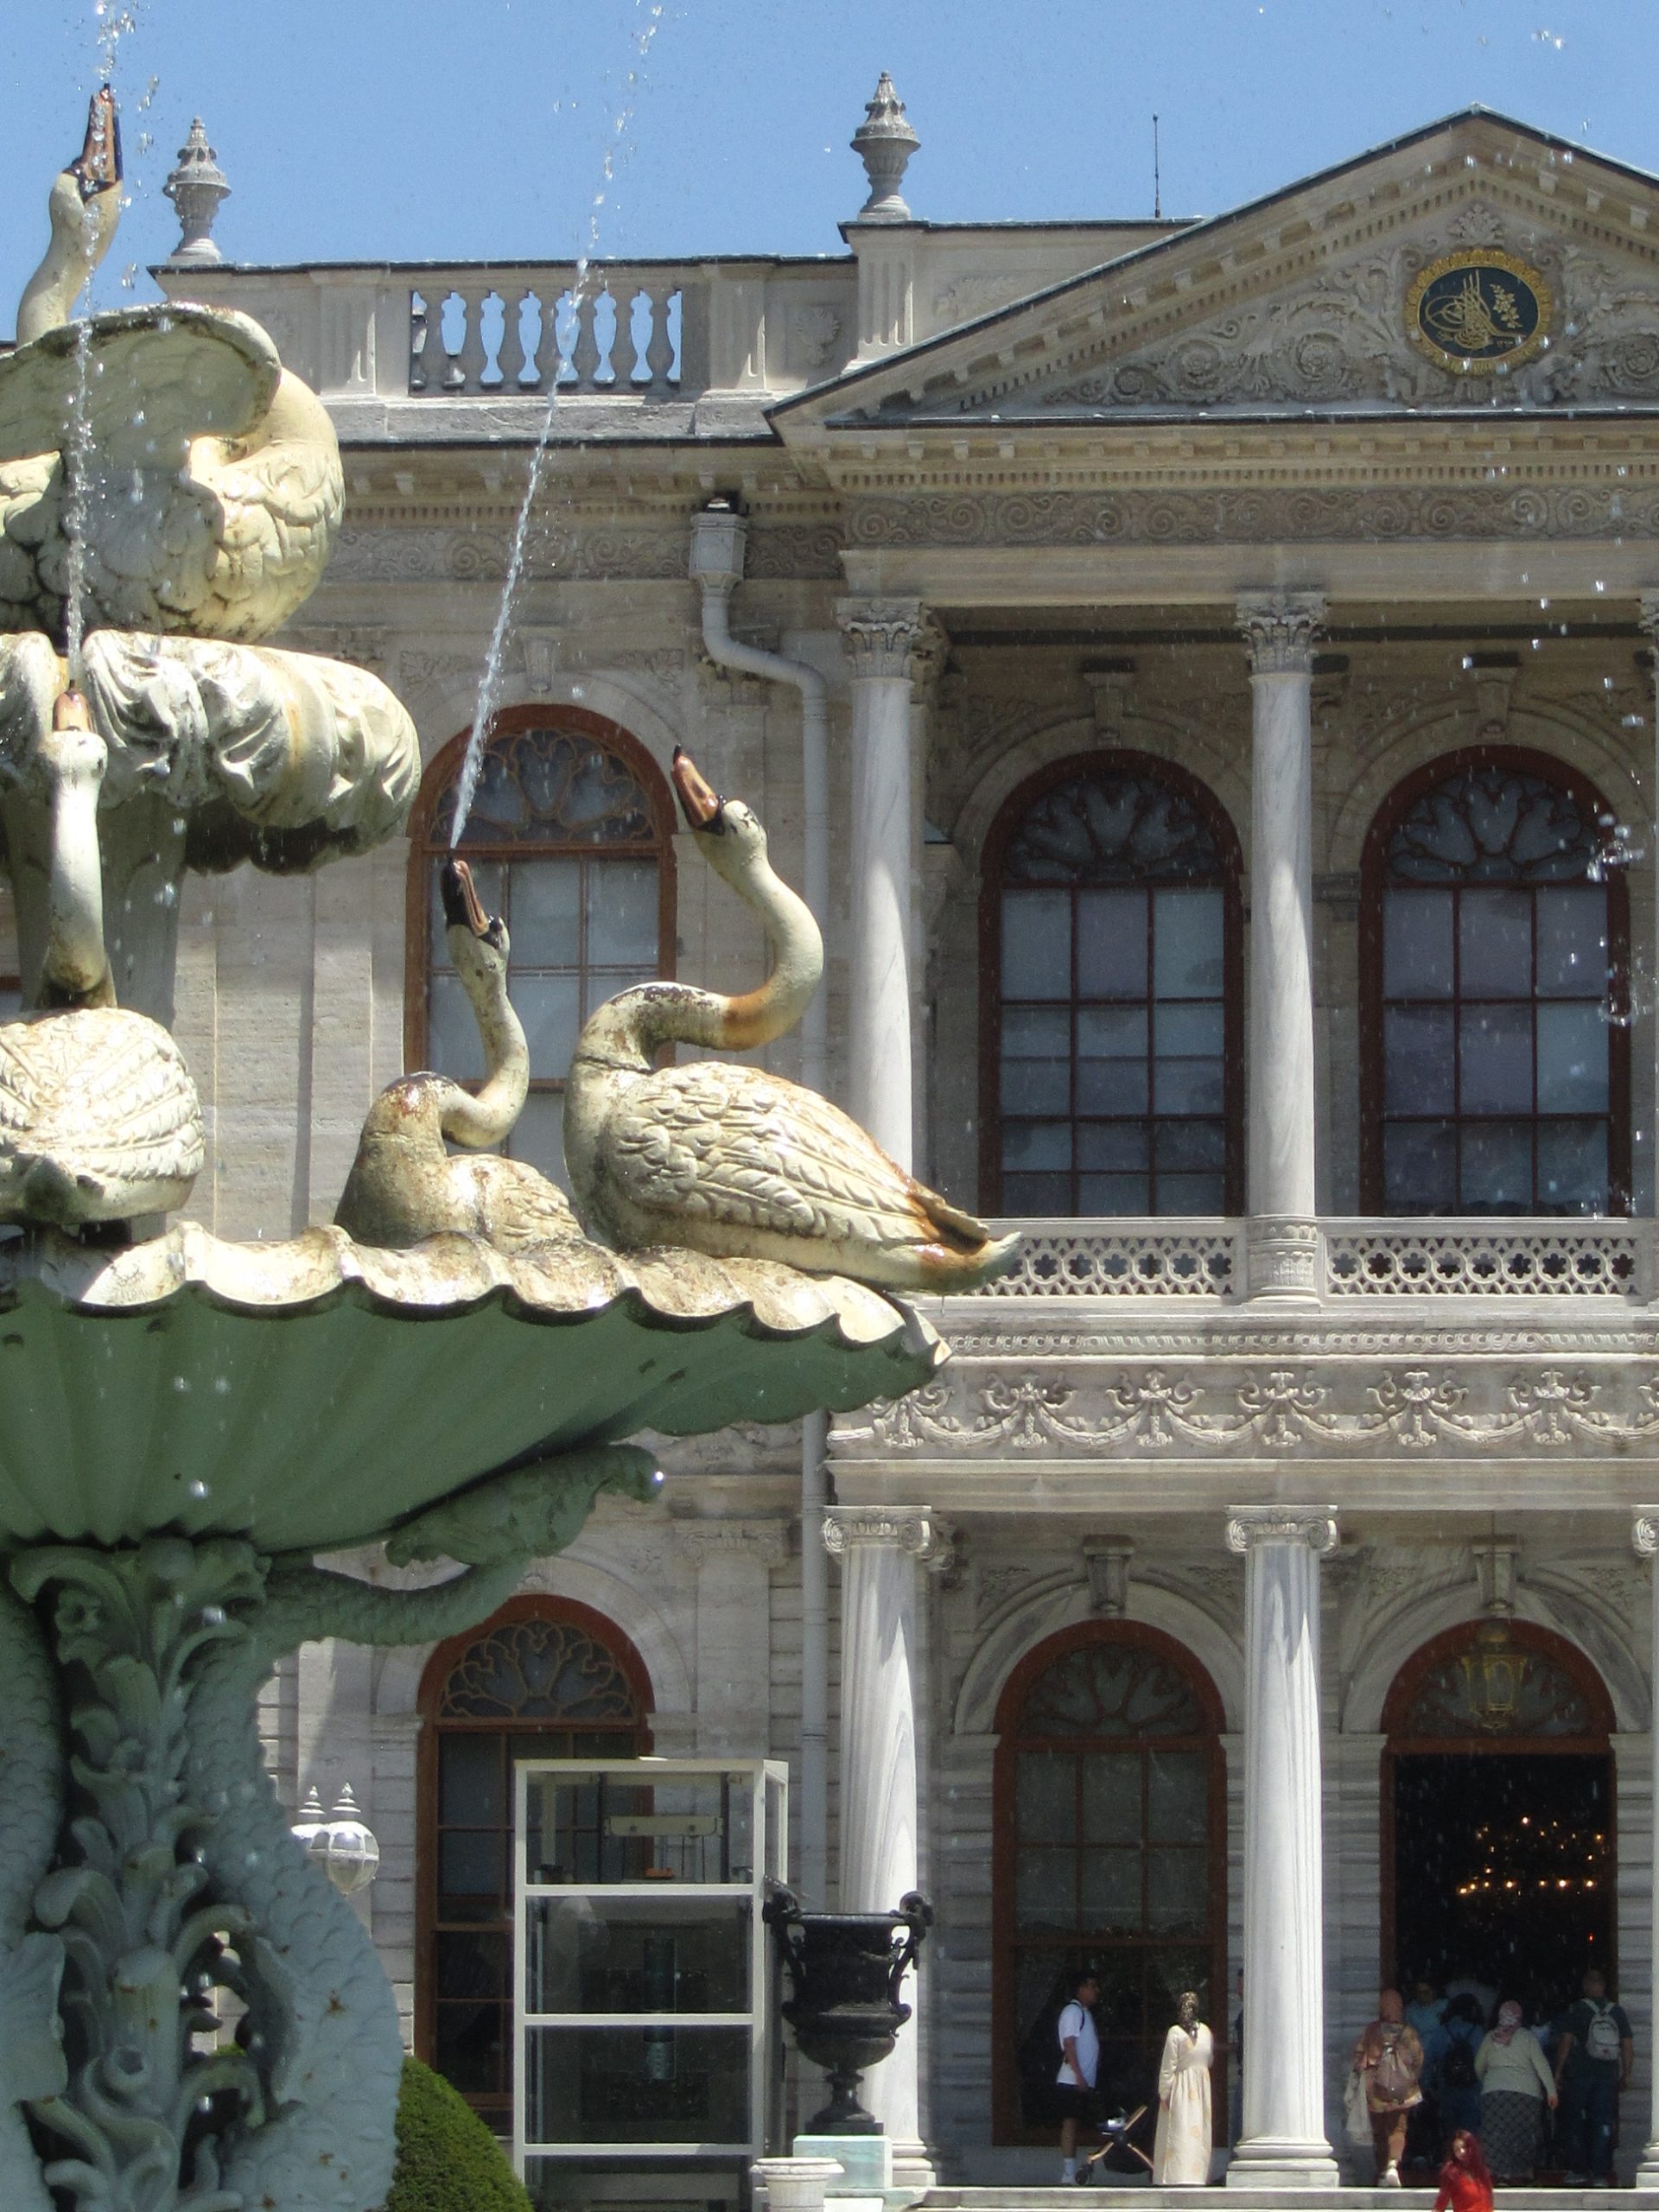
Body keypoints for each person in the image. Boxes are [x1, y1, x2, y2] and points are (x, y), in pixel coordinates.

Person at [1554, 1966, 1633, 2186]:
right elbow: (1627, 2045)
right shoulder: (1617, 2012)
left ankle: (1578, 2169)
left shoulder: (1577, 2009)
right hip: (1607, 2076)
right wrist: (1626, 2074)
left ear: (1586, 1986)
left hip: (1580, 2075)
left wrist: (1558, 2072)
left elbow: (1566, 2042)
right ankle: (1600, 2173)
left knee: (1576, 2121)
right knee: (1603, 2123)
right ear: (1604, 1987)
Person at [1475, 1999, 1556, 2183]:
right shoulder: (1527, 2038)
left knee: (1496, 2135)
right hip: (1526, 2096)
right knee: (1522, 2133)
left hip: (1494, 2095)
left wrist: (1488, 2082)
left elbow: (1478, 2065)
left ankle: (1499, 2173)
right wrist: (1551, 2091)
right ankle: (1521, 2173)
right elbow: (1542, 2066)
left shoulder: (1490, 2038)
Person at [1353, 1988, 1425, 2187]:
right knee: (1397, 2129)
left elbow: (1358, 2058)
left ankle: (1382, 2172)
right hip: (1402, 2093)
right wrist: (1410, 2079)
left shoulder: (1371, 2031)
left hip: (1375, 2093)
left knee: (1379, 2132)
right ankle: (1393, 2165)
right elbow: (1418, 2059)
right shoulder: (1408, 2033)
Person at [1153, 1990, 1213, 2186]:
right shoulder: (1206, 2032)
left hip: (1181, 2087)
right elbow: (1209, 2059)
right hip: (1202, 2087)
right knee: (1197, 2131)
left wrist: (1164, 2093)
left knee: (1179, 2130)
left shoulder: (1176, 2033)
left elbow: (1168, 2065)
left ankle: (1176, 2175)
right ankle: (1196, 2175)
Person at [1055, 1970, 1101, 2186]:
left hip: (1082, 2081)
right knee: (1070, 2122)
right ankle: (1068, 2173)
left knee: (1078, 2124)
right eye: (1092, 1986)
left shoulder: (1084, 2013)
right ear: (1080, 1989)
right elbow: (1069, 2044)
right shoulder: (1073, 2011)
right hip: (1072, 2080)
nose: (1096, 1991)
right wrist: (1079, 2075)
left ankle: (1075, 2171)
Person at [1427, 1993, 1485, 2150]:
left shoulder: (1441, 2032)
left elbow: (1429, 2061)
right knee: (1470, 2135)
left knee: (1450, 2135)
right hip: (1473, 2089)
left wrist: (1428, 2086)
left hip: (1447, 2087)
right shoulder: (1478, 2032)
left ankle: (1451, 2161)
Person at [1433, 2129, 1495, 2212]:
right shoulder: (1451, 2173)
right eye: (1457, 2149)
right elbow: (1440, 2204)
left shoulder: (1482, 2171)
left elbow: (1489, 2203)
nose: (1462, 2152)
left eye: (1464, 2147)